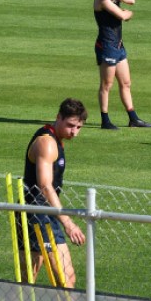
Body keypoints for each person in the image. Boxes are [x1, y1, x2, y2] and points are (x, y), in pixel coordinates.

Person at [21, 98, 88, 288]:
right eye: (70, 126)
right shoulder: (47, 143)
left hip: (46, 213)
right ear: (58, 117)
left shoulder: (57, 140)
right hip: (37, 214)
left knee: (28, 281)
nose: (74, 132)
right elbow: (45, 186)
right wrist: (68, 222)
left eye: (79, 127)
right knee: (62, 280)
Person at [93, 0, 151, 130]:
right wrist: (128, 13)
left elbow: (131, 0)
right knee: (107, 85)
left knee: (126, 83)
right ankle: (105, 120)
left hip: (118, 46)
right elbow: (123, 15)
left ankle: (133, 119)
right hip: (106, 46)